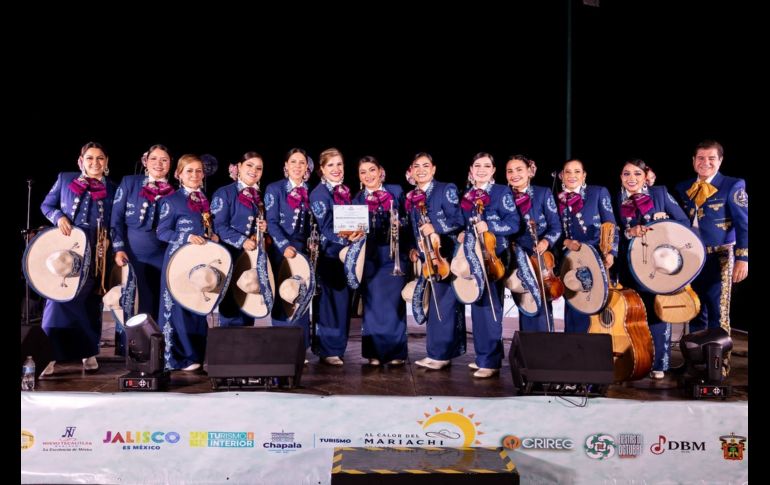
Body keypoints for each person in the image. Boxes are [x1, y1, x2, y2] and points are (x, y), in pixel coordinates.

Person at [39, 141, 118, 375]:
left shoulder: (113, 188)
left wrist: (110, 241)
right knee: (58, 298)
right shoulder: (65, 179)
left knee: (89, 301)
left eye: (100, 158)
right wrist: (59, 217)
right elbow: (46, 204)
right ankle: (48, 355)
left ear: (106, 162)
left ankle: (88, 351)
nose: (95, 163)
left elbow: (116, 220)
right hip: (66, 247)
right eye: (90, 158)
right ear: (80, 160)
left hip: (96, 248)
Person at [674, 140, 748, 372]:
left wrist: (743, 258)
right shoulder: (683, 187)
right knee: (695, 309)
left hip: (721, 256)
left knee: (718, 311)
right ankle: (694, 363)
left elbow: (744, 224)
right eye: (701, 158)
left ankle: (718, 365)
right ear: (693, 161)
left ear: (720, 161)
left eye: (711, 158)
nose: (705, 163)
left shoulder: (732, 185)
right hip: (691, 258)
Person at [616, 158, 689, 379]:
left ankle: (659, 363)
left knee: (657, 313)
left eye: (637, 174)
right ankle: (635, 359)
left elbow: (684, 222)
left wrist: (664, 222)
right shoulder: (613, 198)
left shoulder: (659, 193)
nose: (631, 178)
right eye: (626, 174)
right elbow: (612, 231)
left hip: (658, 265)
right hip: (629, 265)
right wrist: (630, 233)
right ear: (621, 177)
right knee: (631, 313)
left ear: (645, 176)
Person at [457, 152, 520, 378]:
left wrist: (489, 226)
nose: (481, 170)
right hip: (473, 256)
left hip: (493, 256)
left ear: (493, 170)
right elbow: (465, 223)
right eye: (477, 166)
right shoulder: (467, 195)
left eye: (486, 166)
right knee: (477, 305)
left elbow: (513, 224)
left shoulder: (502, 192)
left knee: (491, 307)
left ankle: (491, 361)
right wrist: (463, 234)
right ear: (471, 170)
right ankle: (483, 355)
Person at [156, 154, 219, 371]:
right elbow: (162, 231)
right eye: (189, 171)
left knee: (198, 305)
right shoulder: (170, 200)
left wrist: (213, 236)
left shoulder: (206, 201)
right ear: (178, 175)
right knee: (178, 309)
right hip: (178, 262)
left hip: (201, 264)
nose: (194, 175)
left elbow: (208, 229)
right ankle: (178, 358)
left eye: (198, 171)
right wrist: (186, 237)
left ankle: (196, 355)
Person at [406, 152, 465, 370]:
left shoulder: (445, 189)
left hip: (444, 254)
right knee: (434, 306)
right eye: (416, 166)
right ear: (411, 171)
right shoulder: (412, 196)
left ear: (433, 169)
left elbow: (458, 220)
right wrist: (414, 247)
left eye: (425, 166)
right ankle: (434, 352)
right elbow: (415, 227)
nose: (421, 170)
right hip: (426, 255)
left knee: (445, 305)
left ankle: (442, 355)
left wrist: (436, 229)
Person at [352, 155, 409, 366]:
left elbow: (407, 219)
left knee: (394, 305)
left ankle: (396, 353)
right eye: (363, 172)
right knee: (373, 304)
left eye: (371, 170)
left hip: (395, 255)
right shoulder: (357, 199)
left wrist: (399, 221)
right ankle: (373, 353)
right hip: (371, 258)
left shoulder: (396, 191)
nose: (368, 175)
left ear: (380, 171)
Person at [309, 148, 363, 365]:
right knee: (329, 304)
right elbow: (325, 229)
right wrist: (349, 239)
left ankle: (336, 348)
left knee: (341, 303)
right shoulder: (319, 194)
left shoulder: (345, 191)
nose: (336, 169)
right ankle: (327, 350)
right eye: (330, 165)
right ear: (321, 169)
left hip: (345, 254)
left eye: (339, 164)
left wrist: (359, 232)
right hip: (329, 255)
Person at [111, 144, 174, 325]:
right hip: (133, 254)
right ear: (145, 161)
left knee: (160, 302)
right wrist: (118, 248)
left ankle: (158, 348)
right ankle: (132, 350)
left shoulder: (175, 191)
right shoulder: (130, 182)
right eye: (154, 159)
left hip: (163, 256)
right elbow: (116, 218)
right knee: (133, 302)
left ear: (170, 163)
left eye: (164, 159)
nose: (159, 163)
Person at [557, 158, 617, 333]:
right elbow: (555, 229)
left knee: (598, 306)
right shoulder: (557, 199)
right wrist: (565, 241)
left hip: (598, 257)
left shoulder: (598, 192)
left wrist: (611, 251)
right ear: (561, 176)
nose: (572, 175)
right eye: (567, 172)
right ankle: (573, 353)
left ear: (584, 176)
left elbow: (610, 224)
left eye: (577, 171)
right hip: (571, 260)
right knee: (575, 304)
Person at [265, 148, 314, 351]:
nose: (297, 166)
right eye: (293, 162)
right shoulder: (274, 188)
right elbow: (272, 221)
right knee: (282, 295)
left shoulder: (312, 190)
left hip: (303, 250)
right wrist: (284, 246)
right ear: (286, 166)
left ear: (306, 167)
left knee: (301, 294)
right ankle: (281, 346)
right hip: (280, 249)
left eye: (301, 163)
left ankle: (299, 347)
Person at [211, 152, 268, 326]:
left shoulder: (259, 196)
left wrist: (263, 230)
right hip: (229, 254)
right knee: (230, 303)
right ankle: (230, 348)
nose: (254, 170)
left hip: (249, 256)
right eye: (249, 165)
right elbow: (218, 226)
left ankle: (247, 348)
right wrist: (242, 240)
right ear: (239, 167)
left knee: (248, 300)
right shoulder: (224, 193)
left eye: (259, 168)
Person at [506, 154, 561, 332]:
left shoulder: (542, 193)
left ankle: (545, 348)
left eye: (519, 170)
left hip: (541, 258)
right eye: (510, 171)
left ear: (529, 171)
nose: (515, 174)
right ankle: (526, 352)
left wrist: (546, 241)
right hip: (516, 259)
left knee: (543, 304)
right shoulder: (503, 196)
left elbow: (556, 226)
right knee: (525, 302)